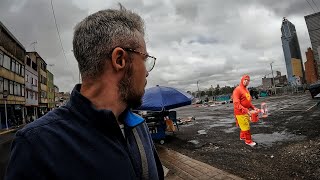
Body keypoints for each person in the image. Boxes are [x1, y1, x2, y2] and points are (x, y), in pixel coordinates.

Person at [6, 4, 164, 180]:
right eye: (144, 59)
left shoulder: (138, 127)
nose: (147, 71)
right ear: (120, 59)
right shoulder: (37, 144)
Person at [232, 75, 259, 147]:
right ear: (242, 80)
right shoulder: (237, 90)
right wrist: (246, 110)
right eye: (245, 79)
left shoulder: (246, 90)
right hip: (240, 113)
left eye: (248, 80)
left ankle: (242, 137)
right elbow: (236, 103)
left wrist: (253, 108)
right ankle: (248, 141)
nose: (246, 81)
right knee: (246, 127)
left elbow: (248, 102)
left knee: (244, 125)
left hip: (245, 112)